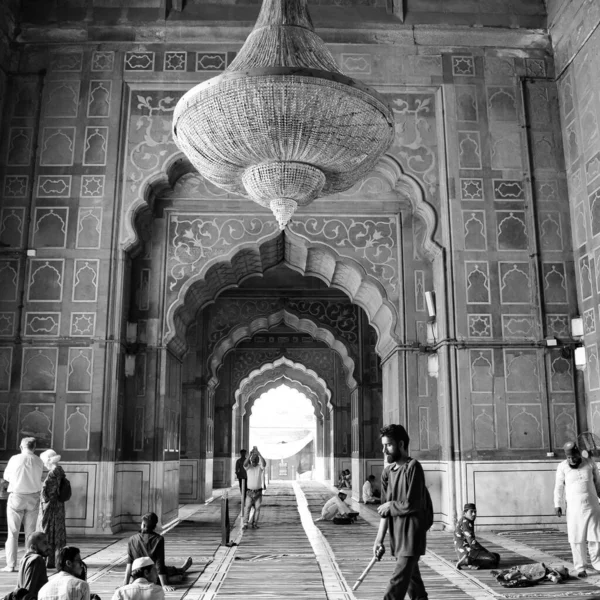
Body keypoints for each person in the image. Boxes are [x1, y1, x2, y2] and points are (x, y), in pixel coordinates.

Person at [373, 424, 432, 600]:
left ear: (400, 444)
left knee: (396, 586)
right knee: (415, 587)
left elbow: (413, 503)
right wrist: (378, 540)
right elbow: (385, 511)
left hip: (412, 535)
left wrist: (390, 505)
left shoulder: (413, 467)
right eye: (383, 445)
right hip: (397, 536)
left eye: (388, 445)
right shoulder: (387, 472)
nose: (384, 450)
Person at [554, 441, 600, 577]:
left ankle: (598, 564)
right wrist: (558, 504)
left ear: (579, 454)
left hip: (592, 506)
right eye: (568, 458)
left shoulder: (590, 463)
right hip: (574, 508)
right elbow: (559, 487)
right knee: (576, 538)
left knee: (596, 536)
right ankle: (580, 568)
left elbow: (598, 484)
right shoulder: (562, 467)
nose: (571, 460)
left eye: (573, 457)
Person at [3, 437, 44, 572]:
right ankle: (29, 564)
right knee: (30, 534)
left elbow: (7, 477)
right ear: (34, 447)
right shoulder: (39, 460)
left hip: (17, 497)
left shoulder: (15, 459)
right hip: (33, 497)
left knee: (13, 533)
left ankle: (11, 565)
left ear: (21, 447)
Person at [124, 512, 192, 591]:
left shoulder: (132, 539)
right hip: (152, 574)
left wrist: (125, 584)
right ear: (155, 526)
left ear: (142, 525)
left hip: (137, 575)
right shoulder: (158, 539)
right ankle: (179, 571)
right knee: (169, 570)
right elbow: (159, 564)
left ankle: (174, 574)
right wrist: (164, 585)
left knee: (167, 570)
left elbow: (129, 564)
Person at [37, 450, 67, 569]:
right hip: (58, 507)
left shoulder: (52, 474)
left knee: (48, 532)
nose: (44, 464)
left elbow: (47, 495)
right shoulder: (60, 471)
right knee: (58, 533)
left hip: (50, 509)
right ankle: (57, 559)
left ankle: (49, 560)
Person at [454, 503, 500, 570]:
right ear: (465, 512)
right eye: (471, 512)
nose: (474, 514)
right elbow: (472, 543)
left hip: (471, 550)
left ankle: (472, 563)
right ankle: (467, 561)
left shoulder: (467, 520)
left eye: (475, 512)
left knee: (496, 557)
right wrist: (485, 551)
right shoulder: (465, 522)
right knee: (493, 560)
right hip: (467, 552)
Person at [17, 532, 50, 600]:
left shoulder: (23, 559)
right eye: (44, 543)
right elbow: (29, 589)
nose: (48, 546)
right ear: (33, 547)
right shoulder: (37, 559)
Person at [242, 446, 266, 530]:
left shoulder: (260, 467)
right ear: (251, 460)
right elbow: (244, 464)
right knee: (247, 508)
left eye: (256, 460)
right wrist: (250, 455)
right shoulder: (248, 467)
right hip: (249, 492)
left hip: (258, 492)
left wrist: (259, 454)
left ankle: (255, 523)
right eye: (253, 460)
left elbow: (264, 464)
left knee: (257, 508)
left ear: (258, 460)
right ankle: (245, 523)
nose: (254, 461)